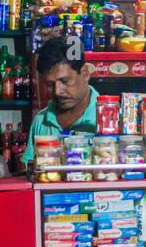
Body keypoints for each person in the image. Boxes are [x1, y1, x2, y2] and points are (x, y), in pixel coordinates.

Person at [22, 36, 98, 165]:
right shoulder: (41, 120)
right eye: (50, 84)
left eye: (64, 81)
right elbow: (30, 169)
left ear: (85, 73)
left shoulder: (110, 118)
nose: (57, 91)